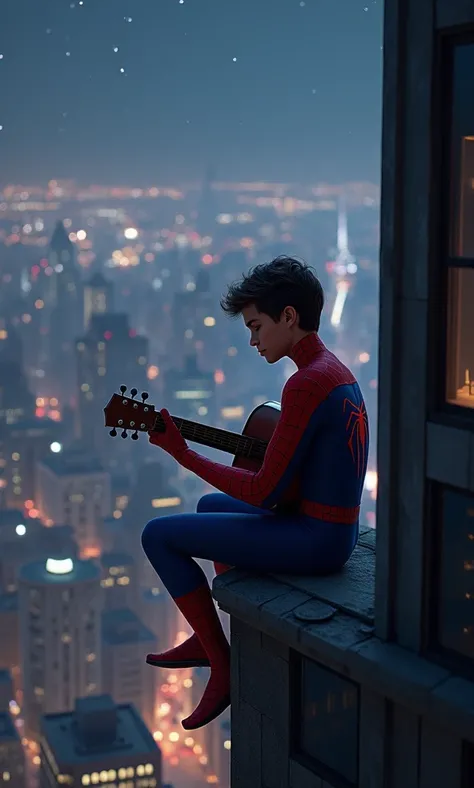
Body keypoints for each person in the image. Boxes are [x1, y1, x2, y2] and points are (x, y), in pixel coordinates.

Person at [141, 255, 369, 730]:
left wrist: (183, 455)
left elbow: (265, 491)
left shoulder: (306, 384)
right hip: (329, 529)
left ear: (289, 317)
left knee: (158, 536)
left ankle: (220, 662)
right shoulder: (335, 371)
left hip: (317, 540)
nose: (252, 339)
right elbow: (287, 477)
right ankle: (212, 635)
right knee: (208, 508)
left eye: (257, 326)